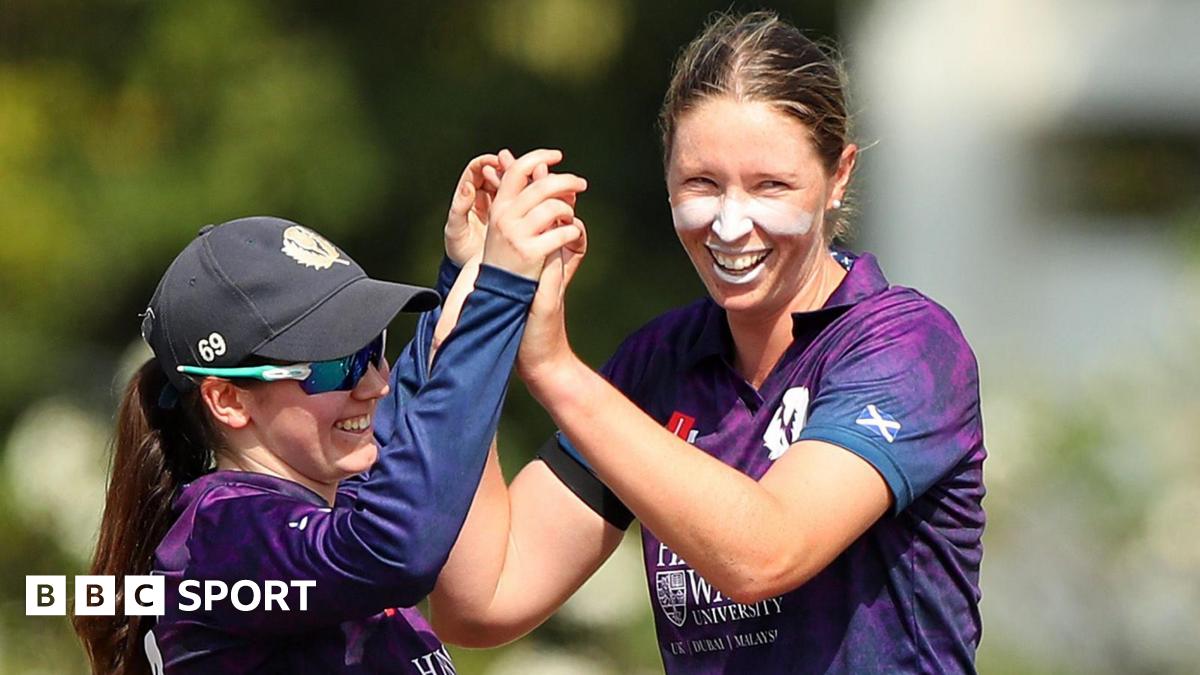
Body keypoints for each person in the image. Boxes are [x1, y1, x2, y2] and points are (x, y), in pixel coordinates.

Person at [422, 11, 986, 674]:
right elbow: (481, 602)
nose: (730, 221)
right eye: (701, 183)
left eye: (770, 185)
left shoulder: (907, 345)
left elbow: (765, 552)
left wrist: (553, 368)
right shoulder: (657, 363)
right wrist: (477, 311)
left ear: (838, 176)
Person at [72, 149, 587, 674]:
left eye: (372, 347)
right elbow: (394, 547)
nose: (375, 383)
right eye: (335, 366)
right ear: (228, 400)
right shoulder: (224, 535)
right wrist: (500, 294)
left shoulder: (320, 504)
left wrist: (469, 275)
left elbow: (409, 441)